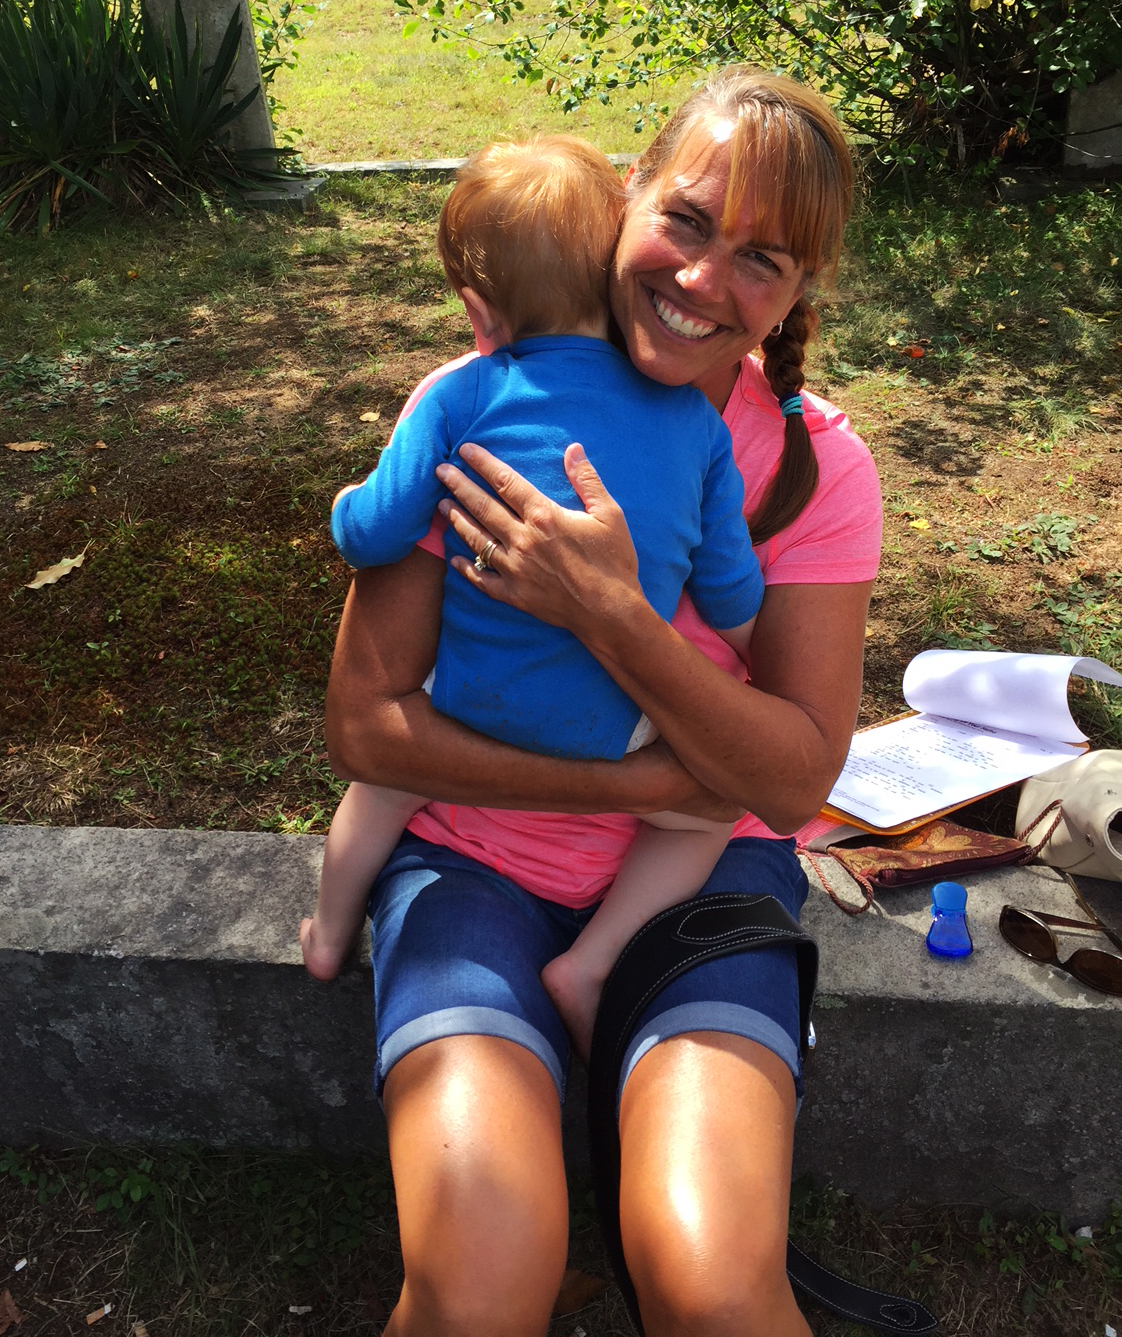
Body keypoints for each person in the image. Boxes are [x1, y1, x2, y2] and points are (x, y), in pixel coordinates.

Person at [324, 66, 882, 1337]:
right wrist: (630, 785)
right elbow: (362, 725)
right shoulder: (479, 396)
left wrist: (614, 614)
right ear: (629, 195)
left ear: (799, 291)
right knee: (476, 1288)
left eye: (761, 259)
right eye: (686, 219)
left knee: (716, 1289)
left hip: (708, 883)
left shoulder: (814, 469)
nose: (702, 278)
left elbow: (795, 779)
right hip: (472, 870)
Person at [304, 135, 764, 1056]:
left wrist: (347, 504)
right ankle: (593, 962)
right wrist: (750, 644)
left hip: (467, 714)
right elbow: (728, 590)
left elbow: (376, 534)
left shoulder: (460, 395)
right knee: (708, 817)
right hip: (617, 727)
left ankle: (326, 934)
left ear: (478, 308)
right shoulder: (696, 424)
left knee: (380, 786)